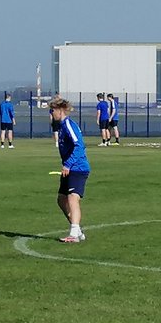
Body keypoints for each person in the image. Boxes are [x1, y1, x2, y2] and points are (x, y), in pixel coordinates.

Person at [49, 98, 90, 243]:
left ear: (60, 111)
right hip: (69, 168)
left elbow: (79, 146)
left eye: (52, 111)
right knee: (61, 199)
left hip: (78, 168)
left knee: (72, 197)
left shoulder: (68, 125)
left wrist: (68, 164)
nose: (51, 114)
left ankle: (74, 233)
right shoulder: (61, 126)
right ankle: (77, 231)